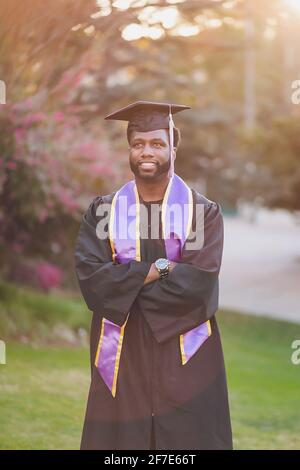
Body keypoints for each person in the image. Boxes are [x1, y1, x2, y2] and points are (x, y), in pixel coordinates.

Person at [75, 100, 232, 450]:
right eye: (138, 143)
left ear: (173, 149)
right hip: (121, 349)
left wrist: (125, 281)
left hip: (185, 347)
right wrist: (161, 268)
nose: (147, 151)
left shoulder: (202, 213)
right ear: (130, 149)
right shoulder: (103, 211)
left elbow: (198, 282)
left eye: (157, 143)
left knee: (186, 439)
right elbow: (92, 281)